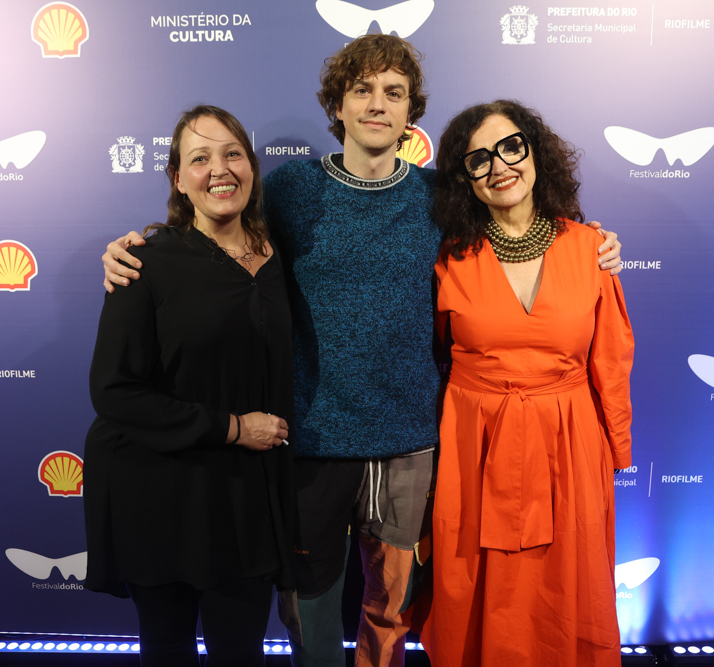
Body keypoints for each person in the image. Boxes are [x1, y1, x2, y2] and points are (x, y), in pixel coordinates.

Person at [100, 35, 623, 667]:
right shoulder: (291, 191)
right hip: (310, 444)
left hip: (411, 444)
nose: (378, 104)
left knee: (391, 613)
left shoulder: (441, 200)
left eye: (394, 93)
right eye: (362, 90)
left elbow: (522, 228)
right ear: (338, 106)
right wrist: (141, 246)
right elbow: (219, 225)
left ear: (411, 114)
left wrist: (593, 242)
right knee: (310, 612)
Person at [421, 100, 633, 667]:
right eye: (479, 159)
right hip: (474, 446)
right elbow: (425, 358)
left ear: (535, 151)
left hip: (569, 447)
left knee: (567, 587)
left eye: (512, 147)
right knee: (478, 587)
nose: (500, 166)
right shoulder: (446, 258)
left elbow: (611, 357)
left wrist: (615, 447)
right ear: (464, 178)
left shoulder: (592, 249)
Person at [84, 105, 294, 667]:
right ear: (178, 178)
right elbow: (115, 392)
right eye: (199, 158)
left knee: (241, 651)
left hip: (245, 497)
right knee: (168, 649)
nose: (219, 169)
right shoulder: (143, 265)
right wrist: (231, 427)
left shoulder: (284, 258)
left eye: (232, 153)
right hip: (159, 492)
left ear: (251, 166)